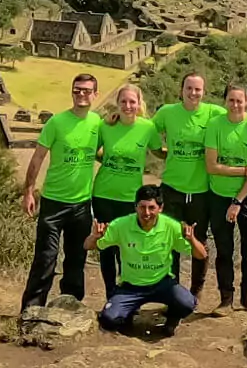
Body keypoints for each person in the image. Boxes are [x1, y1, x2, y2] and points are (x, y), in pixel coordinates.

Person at [20, 72, 103, 313]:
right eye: (77, 90)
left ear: (95, 94)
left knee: (76, 259)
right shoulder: (56, 123)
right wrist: (28, 192)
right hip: (54, 203)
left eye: (86, 90)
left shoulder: (98, 123)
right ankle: (31, 309)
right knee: (46, 258)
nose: (81, 94)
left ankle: (70, 307)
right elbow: (37, 158)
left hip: (81, 204)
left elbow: (101, 151)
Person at [89, 184, 206, 337]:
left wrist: (191, 239)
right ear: (135, 207)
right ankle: (127, 316)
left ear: (160, 208)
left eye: (152, 207)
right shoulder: (121, 225)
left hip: (162, 283)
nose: (146, 212)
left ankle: (171, 319)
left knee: (187, 303)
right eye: (142, 207)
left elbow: (201, 255)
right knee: (108, 319)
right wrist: (95, 237)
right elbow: (88, 246)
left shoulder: (171, 226)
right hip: (131, 286)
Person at [150, 73, 225, 291]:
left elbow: (239, 116)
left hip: (201, 192)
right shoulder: (168, 113)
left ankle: (196, 291)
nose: (193, 93)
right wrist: (160, 152)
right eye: (189, 88)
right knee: (169, 241)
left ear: (204, 92)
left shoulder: (213, 113)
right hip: (171, 189)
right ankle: (171, 289)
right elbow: (146, 129)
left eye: (198, 89)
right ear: (181, 90)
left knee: (198, 242)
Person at [203, 85, 247, 312]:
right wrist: (243, 171)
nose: (235, 105)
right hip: (219, 195)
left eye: (239, 101)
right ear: (225, 102)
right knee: (223, 250)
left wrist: (238, 201)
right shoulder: (215, 125)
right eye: (231, 100)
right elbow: (212, 167)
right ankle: (225, 299)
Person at [91, 84, 161, 295]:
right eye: (124, 101)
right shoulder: (106, 127)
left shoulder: (148, 128)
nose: (128, 106)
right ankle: (110, 294)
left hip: (131, 198)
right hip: (103, 194)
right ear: (117, 103)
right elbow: (94, 151)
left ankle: (127, 294)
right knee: (106, 246)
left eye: (132, 102)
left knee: (128, 248)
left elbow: (159, 151)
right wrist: (110, 161)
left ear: (139, 104)